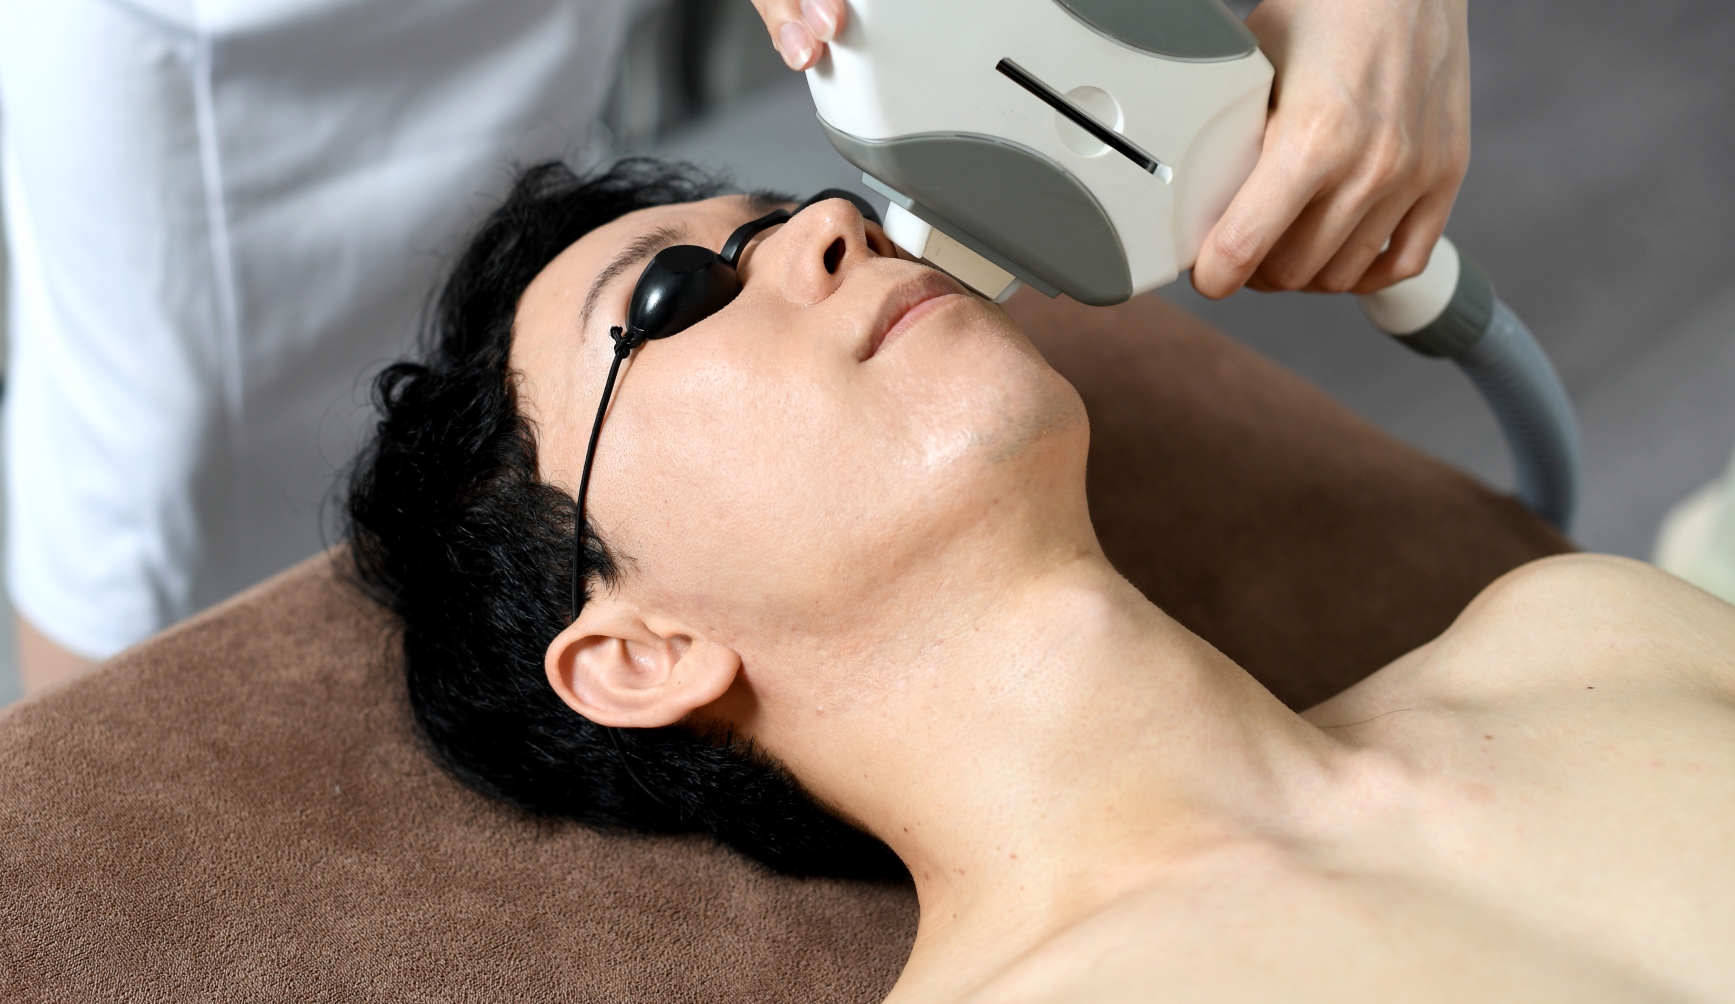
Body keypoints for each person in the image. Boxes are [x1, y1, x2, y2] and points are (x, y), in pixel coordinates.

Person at [0, 0, 1470, 690]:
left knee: (505, 242)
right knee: (163, 437)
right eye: (687, 290)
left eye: (720, 252)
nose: (826, 226)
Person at [348, 160, 1735, 1001]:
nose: (832, 220)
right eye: (673, 297)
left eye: (792, 210)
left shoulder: (1590, 631)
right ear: (641, 653)